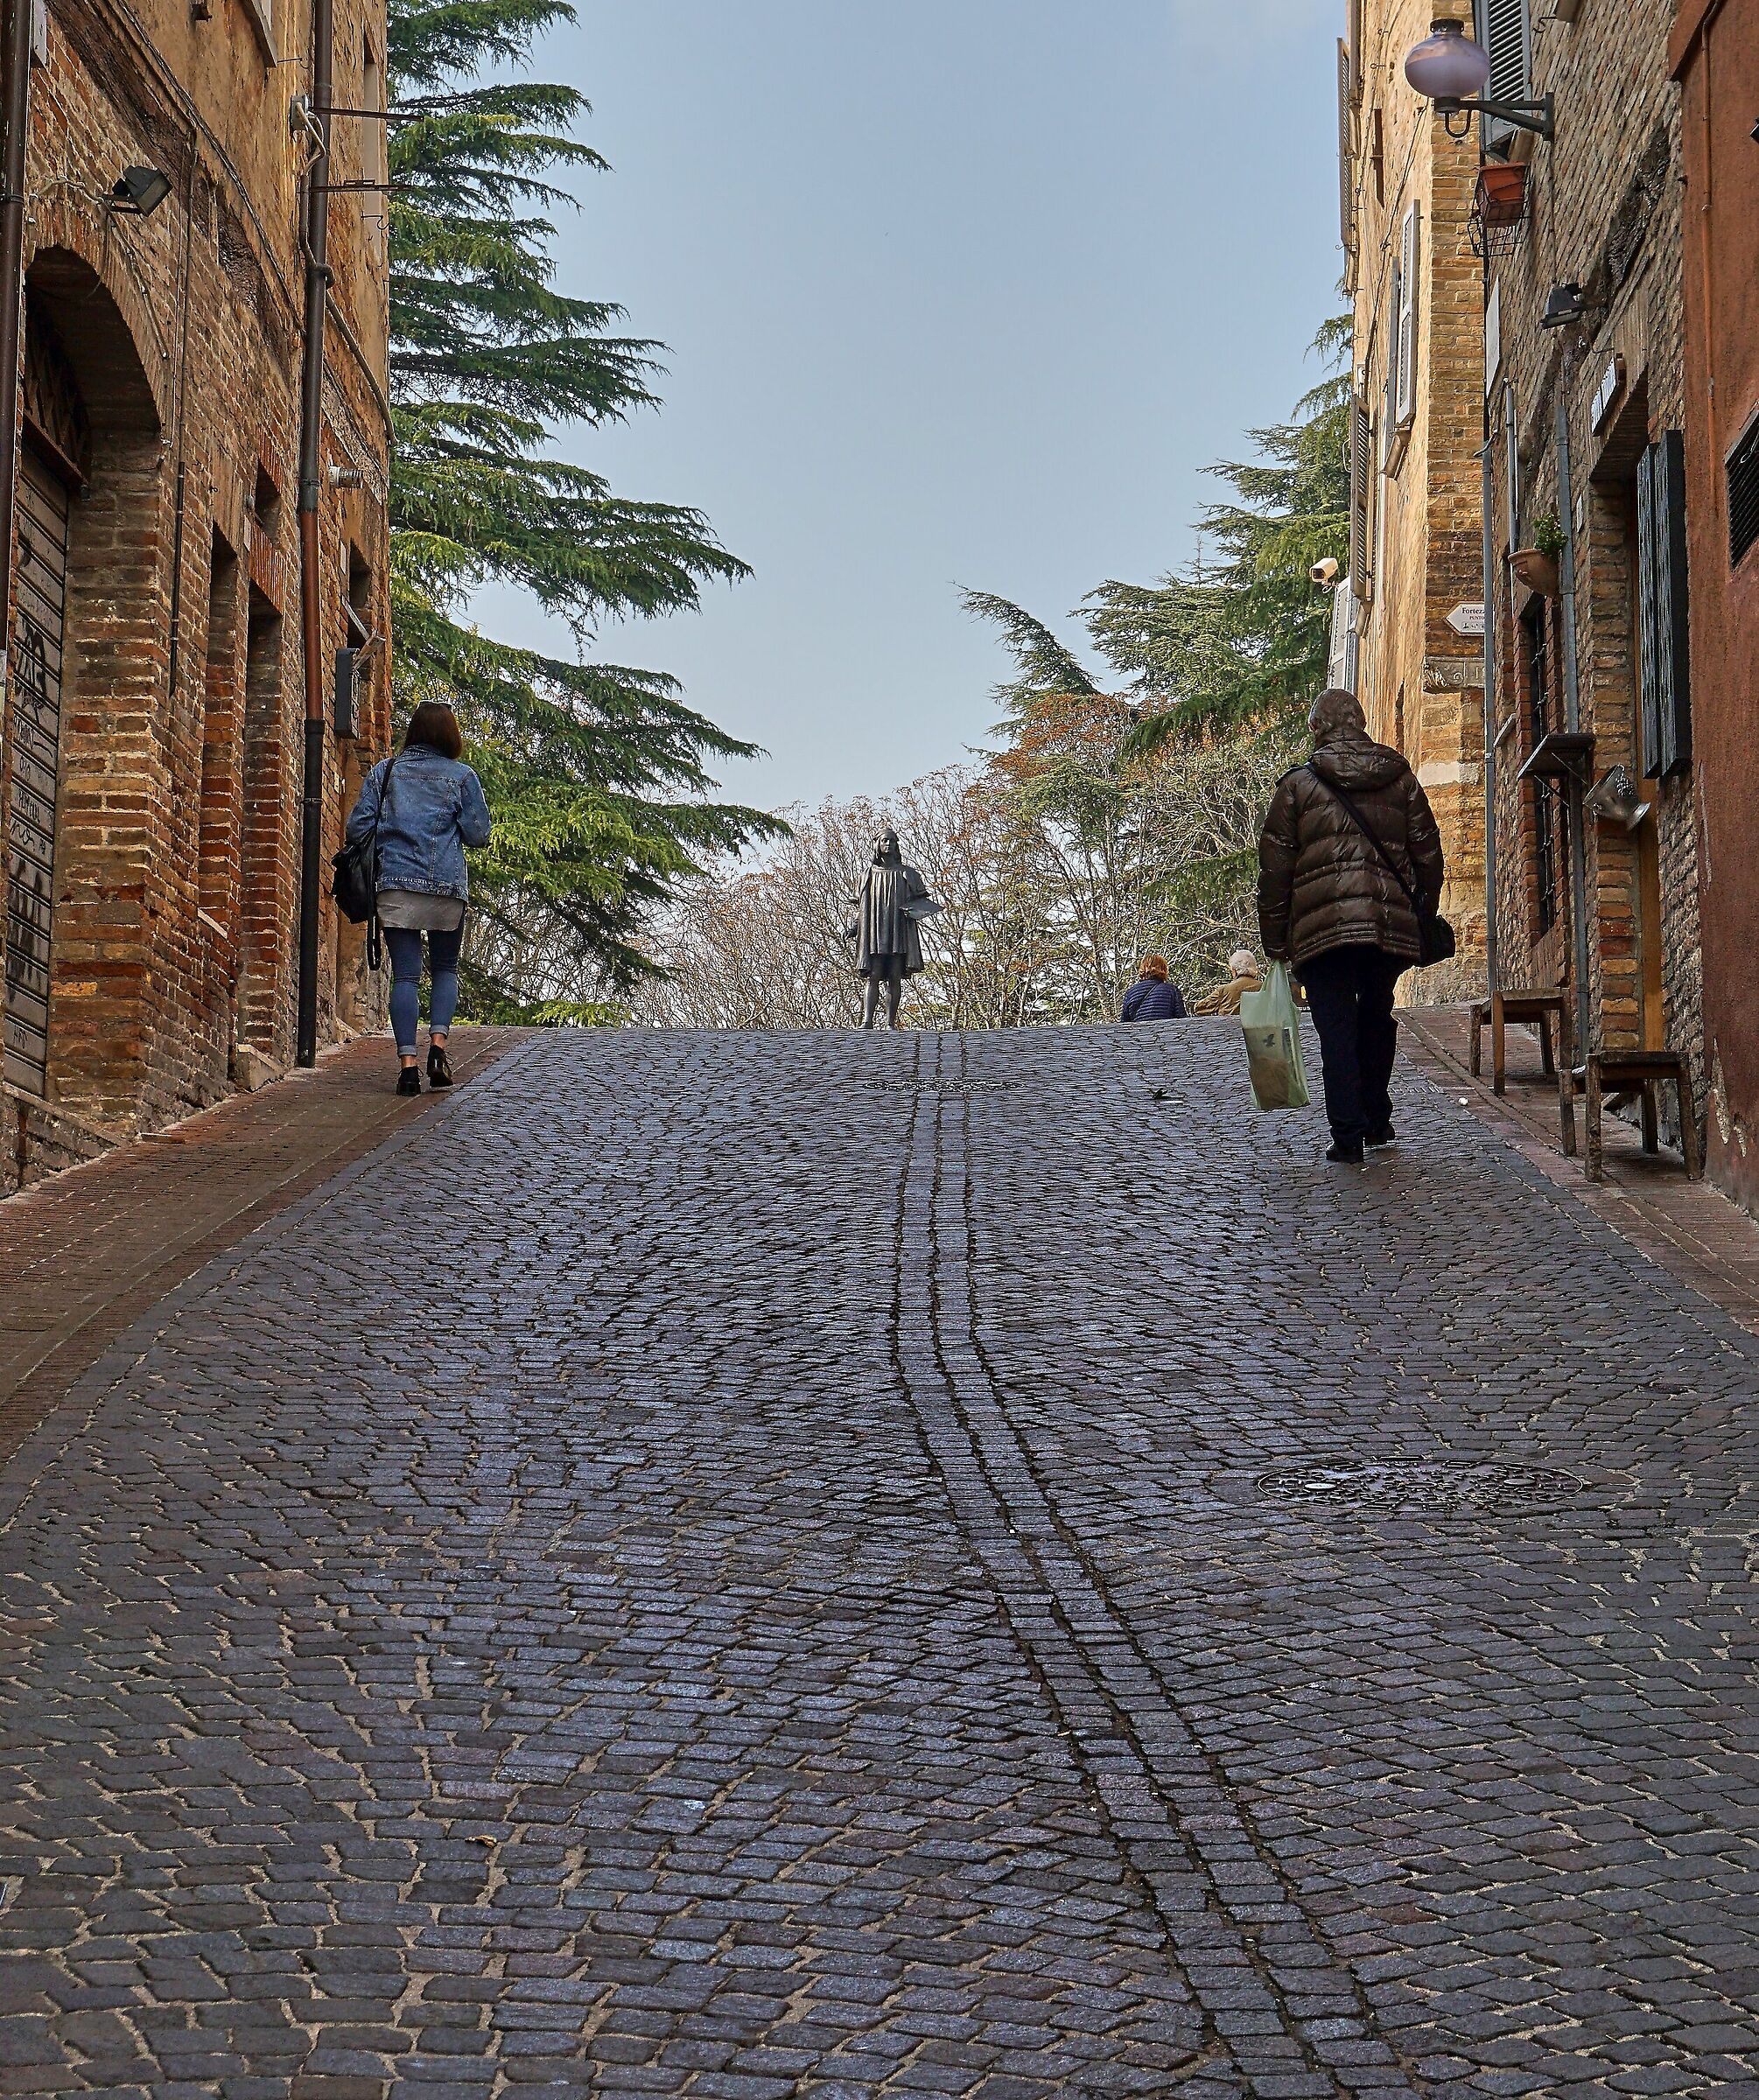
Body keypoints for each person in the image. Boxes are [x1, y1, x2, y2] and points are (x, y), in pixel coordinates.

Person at [1256, 688, 1444, 1165]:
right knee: (1377, 1016)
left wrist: (1276, 941)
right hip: (1387, 926)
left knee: (1336, 1029)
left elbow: (1276, 871)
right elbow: (1428, 854)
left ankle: (1348, 1137)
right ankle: (1378, 1119)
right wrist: (1420, 913)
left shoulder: (1297, 787)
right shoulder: (1399, 779)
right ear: (1361, 723)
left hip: (1322, 933)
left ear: (1317, 729)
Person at [345, 700, 492, 1095]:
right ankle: (438, 1049)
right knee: (445, 969)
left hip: (395, 885)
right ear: (451, 736)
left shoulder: (386, 772)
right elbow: (478, 835)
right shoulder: (463, 777)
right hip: (446, 887)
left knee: (406, 974)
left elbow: (357, 828)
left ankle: (408, 1067)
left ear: (413, 732)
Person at [846, 829, 936, 1030]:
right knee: (874, 974)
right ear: (877, 844)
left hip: (898, 929)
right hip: (874, 931)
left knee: (895, 974)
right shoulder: (867, 875)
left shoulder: (908, 874)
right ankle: (866, 1021)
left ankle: (890, 1023)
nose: (889, 845)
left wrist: (915, 911)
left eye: (893, 841)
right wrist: (854, 927)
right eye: (885, 841)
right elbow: (862, 908)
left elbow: (922, 902)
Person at [1192, 950, 1263, 1017]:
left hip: (1229, 1029)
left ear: (1234, 971)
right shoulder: (1265, 987)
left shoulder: (1224, 990)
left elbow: (1199, 1008)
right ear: (1255, 970)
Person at [1121, 955, 1187, 1021]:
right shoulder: (1172, 990)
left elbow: (1124, 1023)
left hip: (1140, 1031)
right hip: (1165, 1030)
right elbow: (1181, 1019)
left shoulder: (1130, 993)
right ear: (1163, 969)